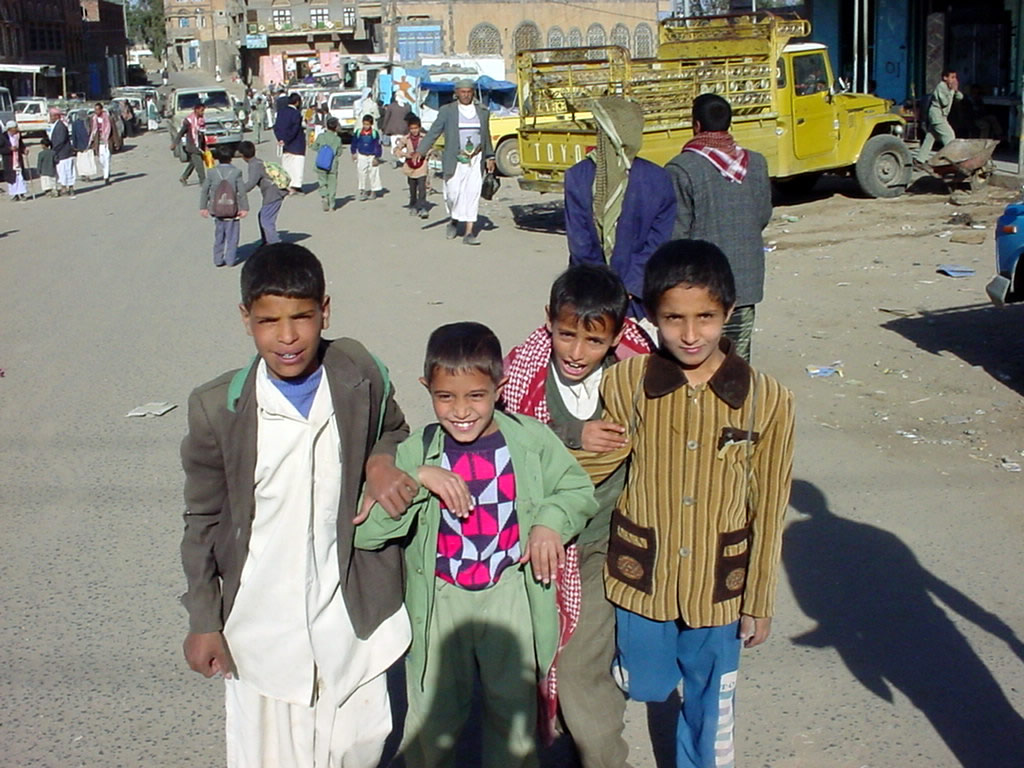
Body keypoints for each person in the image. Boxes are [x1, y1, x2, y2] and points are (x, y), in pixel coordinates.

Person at [180, 242, 414, 768]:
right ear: (246, 319)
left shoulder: (359, 372)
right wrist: (204, 619)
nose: (287, 337)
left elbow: (394, 429)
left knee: (360, 746)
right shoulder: (218, 409)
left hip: (351, 613)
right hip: (262, 625)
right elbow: (202, 519)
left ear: (324, 311)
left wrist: (381, 460)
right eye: (269, 321)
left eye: (301, 317)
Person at [574, 240, 794, 768]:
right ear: (652, 315)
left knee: (710, 703)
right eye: (674, 318)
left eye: (705, 317)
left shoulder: (768, 400)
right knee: (646, 682)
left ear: (729, 313)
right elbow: (600, 465)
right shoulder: (627, 383)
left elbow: (770, 505)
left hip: (720, 585)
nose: (691, 334)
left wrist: (759, 599)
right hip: (642, 576)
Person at [355, 320, 597, 768]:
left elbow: (577, 489)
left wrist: (549, 523)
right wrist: (418, 480)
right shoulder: (417, 451)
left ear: (499, 389)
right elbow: (366, 532)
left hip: (509, 591)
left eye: (476, 396)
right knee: (434, 718)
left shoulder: (529, 439)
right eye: (445, 397)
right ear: (427, 388)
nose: (461, 410)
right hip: (441, 597)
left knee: (513, 715)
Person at [501, 265, 652, 768]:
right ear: (549, 320)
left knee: (580, 666)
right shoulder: (522, 372)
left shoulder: (635, 373)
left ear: (616, 336)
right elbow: (503, 430)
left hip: (602, 541)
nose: (576, 352)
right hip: (535, 540)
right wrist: (572, 433)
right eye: (566, 335)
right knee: (536, 657)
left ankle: (604, 758)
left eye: (593, 340)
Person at [665, 94, 772, 362]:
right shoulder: (756, 163)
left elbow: (678, 234)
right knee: (737, 356)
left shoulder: (682, 168)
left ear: (697, 125)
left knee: (697, 355)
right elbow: (762, 216)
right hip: (745, 280)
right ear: (729, 123)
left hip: (700, 283)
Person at [564, 96, 676, 321]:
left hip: (636, 297)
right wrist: (611, 288)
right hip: (594, 294)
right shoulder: (578, 176)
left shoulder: (656, 179)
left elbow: (659, 241)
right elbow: (580, 243)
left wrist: (628, 286)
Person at [413, 79, 496, 246]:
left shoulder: (482, 112)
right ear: (456, 93)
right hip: (455, 159)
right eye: (462, 92)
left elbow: (485, 135)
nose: (466, 95)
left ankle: (469, 232)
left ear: (473, 93)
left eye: (469, 92)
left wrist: (490, 156)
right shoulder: (447, 111)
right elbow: (434, 131)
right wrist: (420, 151)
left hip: (475, 159)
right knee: (453, 193)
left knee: (472, 194)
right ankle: (454, 219)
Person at [199, 144, 249, 267]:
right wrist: (244, 208)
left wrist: (203, 207)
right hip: (233, 210)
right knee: (232, 236)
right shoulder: (236, 172)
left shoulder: (212, 172)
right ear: (231, 158)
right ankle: (230, 260)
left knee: (219, 235)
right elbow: (241, 192)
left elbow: (205, 190)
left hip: (217, 209)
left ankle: (218, 259)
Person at [239, 140, 285, 246]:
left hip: (272, 194)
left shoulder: (254, 165)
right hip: (276, 192)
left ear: (242, 155)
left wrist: (238, 190)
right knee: (263, 216)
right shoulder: (258, 161)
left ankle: (275, 245)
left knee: (266, 221)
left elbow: (251, 183)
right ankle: (266, 241)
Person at [917, 70, 963, 163]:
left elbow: (960, 97)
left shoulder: (950, 88)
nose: (954, 80)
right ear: (945, 78)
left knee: (930, 137)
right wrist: (951, 90)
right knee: (949, 135)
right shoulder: (941, 87)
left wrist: (956, 90)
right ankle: (954, 159)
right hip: (937, 115)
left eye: (955, 77)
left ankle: (920, 159)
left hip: (942, 116)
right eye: (952, 77)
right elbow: (944, 102)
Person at [394, 114, 429, 218]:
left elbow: (431, 148)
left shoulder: (424, 137)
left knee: (422, 187)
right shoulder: (405, 138)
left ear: (420, 127)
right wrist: (405, 154)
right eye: (412, 128)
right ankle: (413, 204)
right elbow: (396, 150)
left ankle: (422, 207)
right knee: (412, 187)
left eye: (416, 128)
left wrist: (425, 154)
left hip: (422, 165)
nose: (414, 130)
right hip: (410, 166)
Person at [275, 92, 306, 195]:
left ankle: (286, 185)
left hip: (284, 144)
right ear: (297, 102)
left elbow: (276, 127)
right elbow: (295, 129)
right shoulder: (296, 113)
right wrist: (287, 139)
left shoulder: (281, 112)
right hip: (296, 143)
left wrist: (280, 139)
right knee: (297, 165)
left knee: (287, 164)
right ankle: (295, 186)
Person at [312, 116, 343, 212]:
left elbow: (314, 147)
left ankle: (324, 196)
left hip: (321, 163)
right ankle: (332, 203)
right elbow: (339, 153)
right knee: (332, 184)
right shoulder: (337, 139)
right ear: (336, 127)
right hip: (332, 165)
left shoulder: (321, 136)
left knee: (322, 182)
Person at [350, 114, 382, 201]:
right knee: (361, 173)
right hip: (361, 155)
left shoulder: (374, 133)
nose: (366, 126)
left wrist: (377, 157)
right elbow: (354, 143)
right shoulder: (358, 132)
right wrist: (353, 153)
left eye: (367, 124)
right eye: (364, 124)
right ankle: (362, 190)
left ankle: (374, 191)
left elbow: (378, 146)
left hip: (372, 155)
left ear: (371, 124)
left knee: (374, 173)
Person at [173, 102, 207, 186]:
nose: (203, 112)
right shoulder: (188, 121)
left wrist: (204, 145)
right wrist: (175, 143)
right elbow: (181, 132)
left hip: (199, 146)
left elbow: (202, 133)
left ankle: (184, 177)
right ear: (196, 110)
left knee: (193, 162)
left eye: (203, 110)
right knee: (199, 164)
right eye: (201, 110)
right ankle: (203, 181)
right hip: (192, 146)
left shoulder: (201, 120)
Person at [88, 102, 118, 185]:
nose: (96, 111)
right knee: (101, 160)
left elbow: (114, 131)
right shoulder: (93, 119)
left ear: (101, 109)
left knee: (107, 159)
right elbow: (92, 131)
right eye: (95, 110)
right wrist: (91, 142)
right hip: (99, 143)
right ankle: (105, 171)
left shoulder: (108, 118)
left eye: (98, 109)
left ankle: (106, 177)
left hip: (107, 142)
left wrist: (116, 142)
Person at [49, 107, 76, 198]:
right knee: (62, 172)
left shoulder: (60, 126)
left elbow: (60, 141)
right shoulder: (56, 125)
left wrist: (53, 150)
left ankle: (69, 188)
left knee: (67, 171)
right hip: (61, 153)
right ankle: (65, 188)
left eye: (52, 116)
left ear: (56, 116)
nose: (50, 118)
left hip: (63, 153)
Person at [380, 94, 412, 164]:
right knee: (403, 144)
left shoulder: (391, 106)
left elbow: (387, 118)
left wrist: (384, 127)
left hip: (393, 130)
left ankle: (399, 158)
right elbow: (410, 118)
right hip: (404, 129)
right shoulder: (407, 106)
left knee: (395, 144)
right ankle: (403, 158)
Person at [1, 120, 28, 200]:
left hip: (17, 160)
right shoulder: (3, 137)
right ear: (9, 129)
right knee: (12, 178)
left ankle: (22, 193)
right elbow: (1, 149)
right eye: (14, 128)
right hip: (9, 161)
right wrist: (9, 149)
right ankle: (15, 194)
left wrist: (24, 150)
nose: (16, 129)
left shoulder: (18, 136)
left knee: (20, 177)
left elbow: (21, 145)